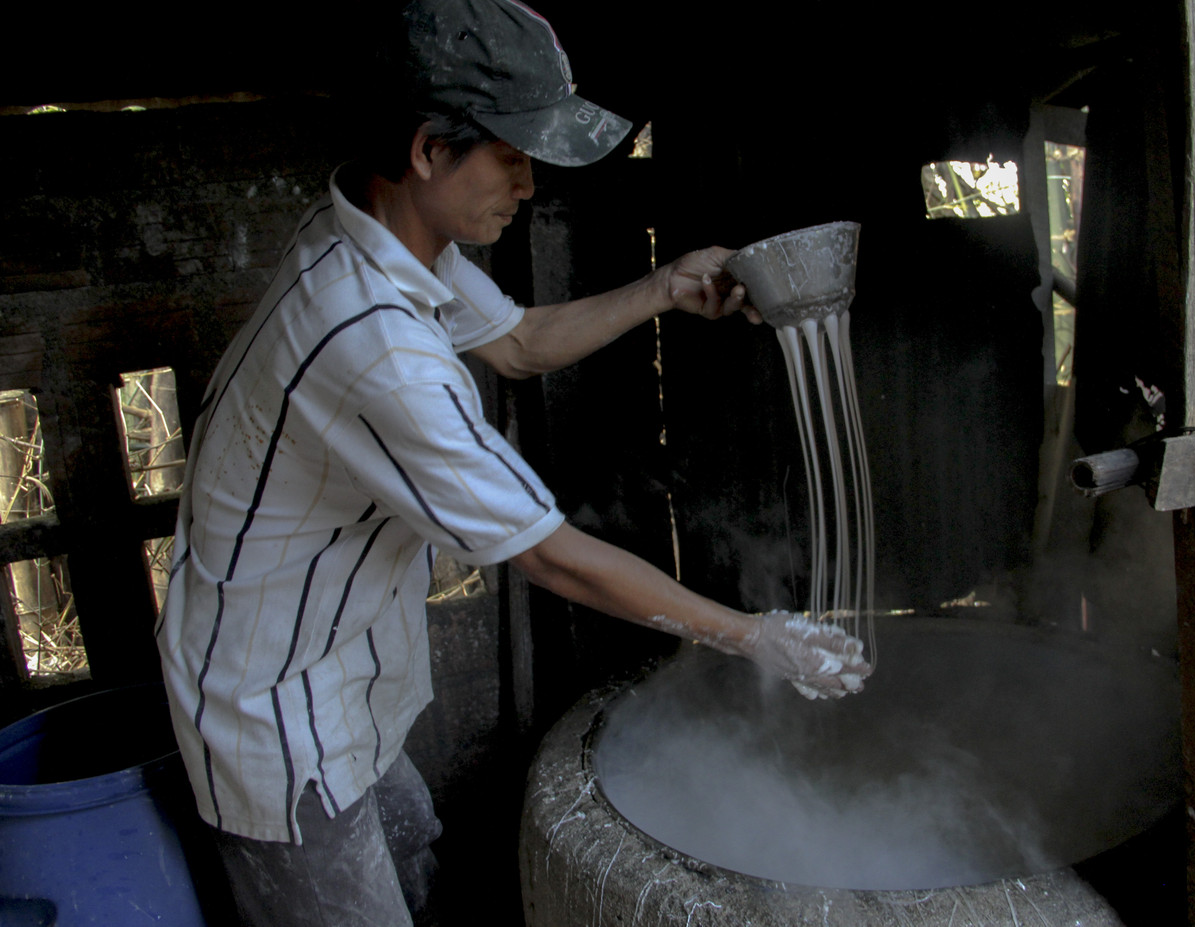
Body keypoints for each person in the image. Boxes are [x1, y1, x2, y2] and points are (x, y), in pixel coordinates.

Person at [155, 1, 871, 923]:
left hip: (336, 660)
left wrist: (665, 286)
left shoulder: (385, 237)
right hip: (274, 710)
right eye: (511, 155)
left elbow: (520, 342)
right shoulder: (370, 340)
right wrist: (753, 635)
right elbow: (546, 554)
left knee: (413, 861)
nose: (529, 185)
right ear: (428, 151)